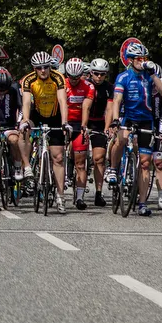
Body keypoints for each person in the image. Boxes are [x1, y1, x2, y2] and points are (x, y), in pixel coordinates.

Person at [108, 42, 162, 216]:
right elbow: (117, 100)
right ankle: (113, 168)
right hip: (128, 117)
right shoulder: (123, 77)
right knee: (121, 138)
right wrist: (114, 120)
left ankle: (142, 203)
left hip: (146, 121)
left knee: (144, 163)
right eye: (139, 59)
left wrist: (153, 74)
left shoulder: (149, 76)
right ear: (130, 60)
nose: (142, 61)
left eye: (144, 58)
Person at [20, 51, 69, 214]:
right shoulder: (28, 80)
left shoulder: (58, 77)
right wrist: (26, 120)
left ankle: (61, 197)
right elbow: (26, 102)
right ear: (34, 68)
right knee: (24, 129)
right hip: (37, 114)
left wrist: (64, 123)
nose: (43, 70)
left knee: (59, 157)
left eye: (46, 67)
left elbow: (62, 101)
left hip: (54, 116)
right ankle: (27, 166)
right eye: (39, 67)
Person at [61, 57, 95, 210]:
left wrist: (84, 126)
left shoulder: (88, 86)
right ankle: (57, 192)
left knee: (80, 163)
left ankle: (80, 197)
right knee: (58, 157)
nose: (74, 80)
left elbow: (86, 107)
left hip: (78, 122)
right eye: (71, 77)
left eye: (77, 77)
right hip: (64, 121)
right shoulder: (61, 84)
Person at [87, 58, 112, 207]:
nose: (99, 77)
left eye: (102, 74)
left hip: (99, 123)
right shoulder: (85, 85)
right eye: (96, 74)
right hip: (84, 121)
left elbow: (109, 109)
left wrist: (107, 127)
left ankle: (98, 192)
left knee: (99, 159)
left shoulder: (109, 88)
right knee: (76, 154)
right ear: (91, 73)